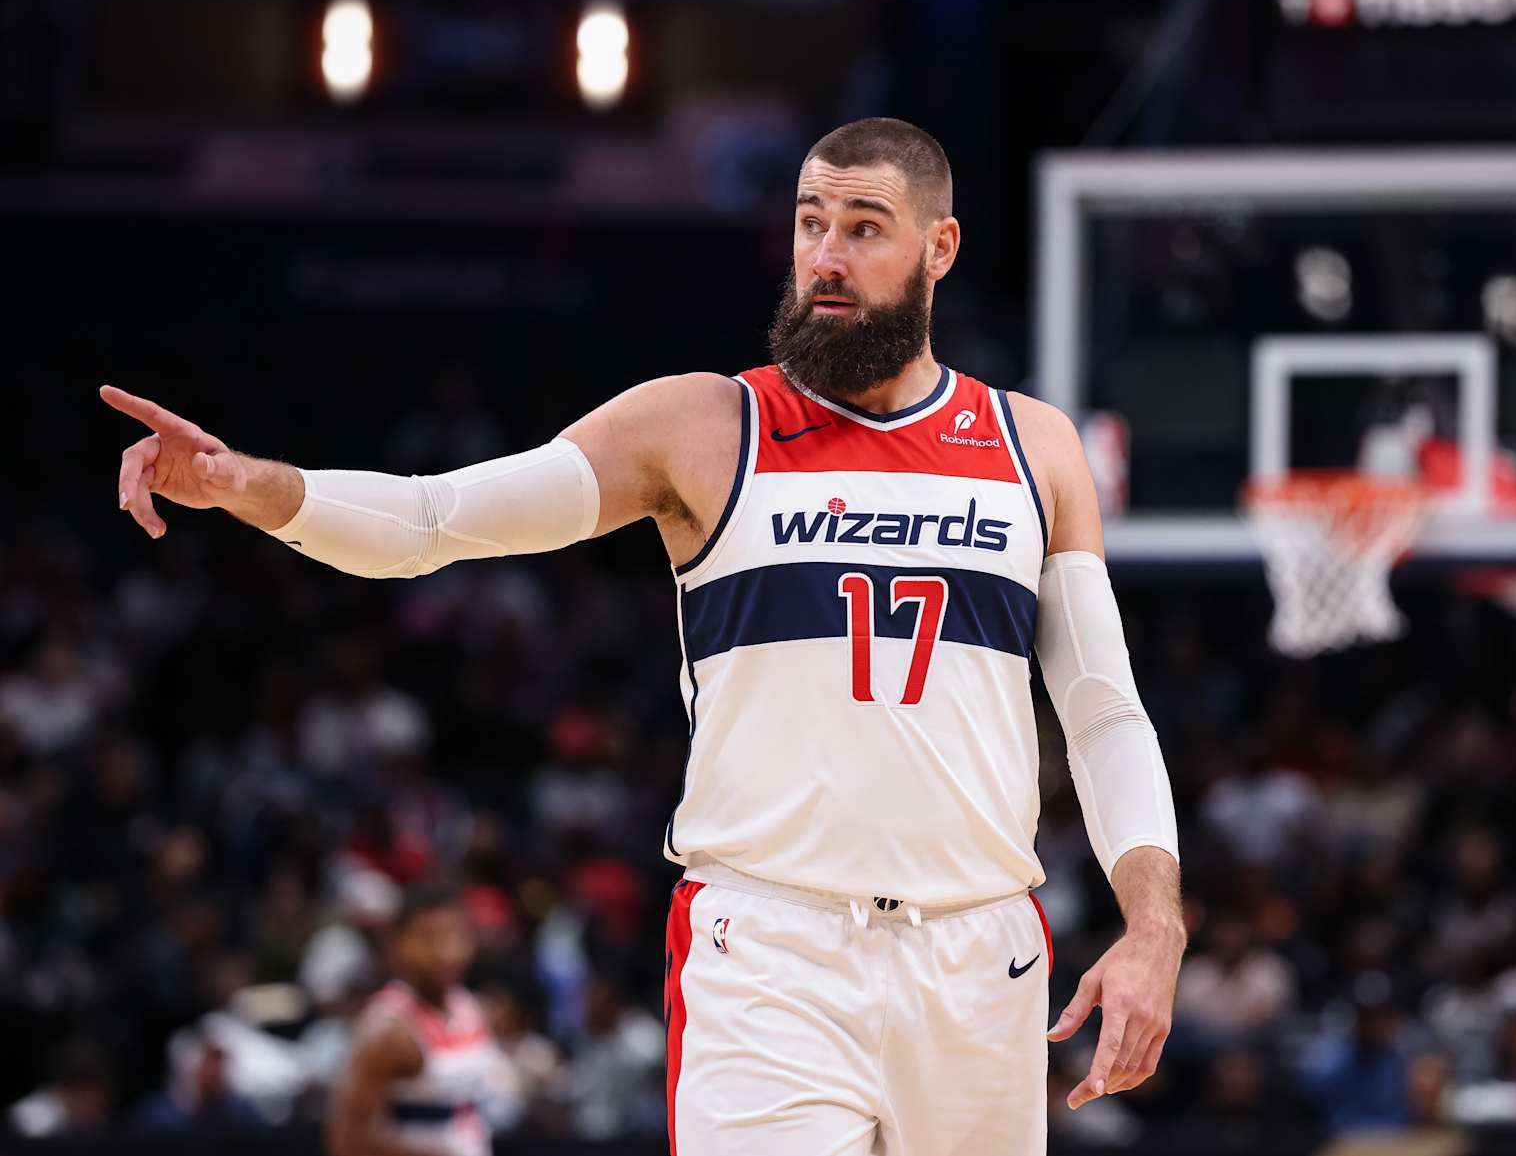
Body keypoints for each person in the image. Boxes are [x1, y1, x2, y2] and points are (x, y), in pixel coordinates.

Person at [102, 116, 1183, 1156]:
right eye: (811, 222)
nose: (828, 256)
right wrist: (252, 486)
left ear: (939, 247)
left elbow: (1102, 708)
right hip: (772, 951)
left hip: (978, 951)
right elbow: (435, 521)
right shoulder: (706, 425)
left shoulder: (1028, 444)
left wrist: (1154, 923)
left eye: (864, 226)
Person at [325, 883, 500, 1156]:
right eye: (428, 938)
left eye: (457, 935)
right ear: (399, 943)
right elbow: (347, 1140)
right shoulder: (388, 1029)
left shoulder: (470, 1008)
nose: (446, 952)